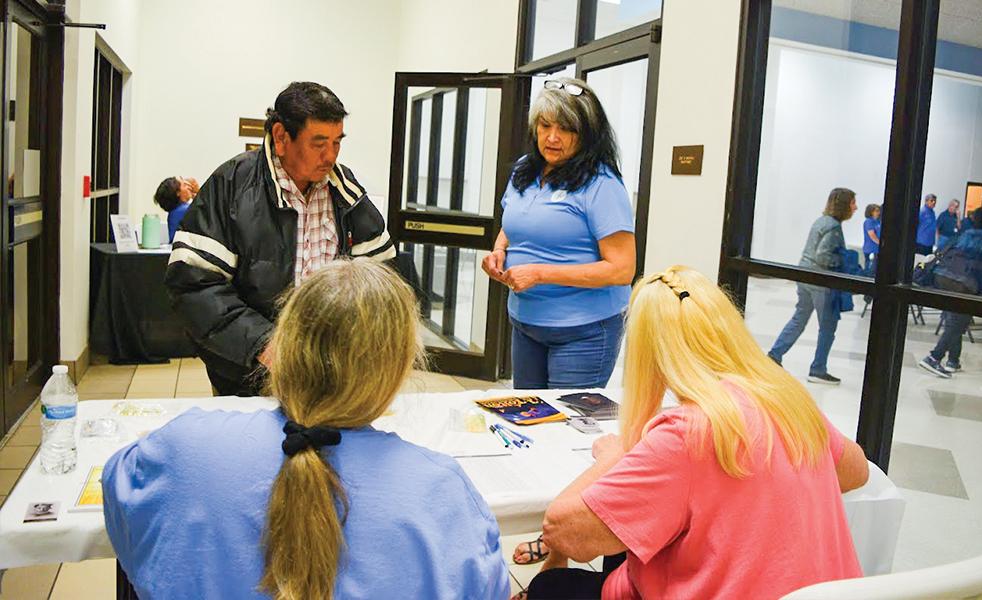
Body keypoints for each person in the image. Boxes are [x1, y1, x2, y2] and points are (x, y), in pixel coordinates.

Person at [104, 260, 509, 600]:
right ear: (398, 369)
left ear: (280, 346)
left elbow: (121, 506)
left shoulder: (184, 447)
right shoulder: (441, 492)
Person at [517, 266, 868, 599]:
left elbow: (561, 529)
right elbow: (856, 470)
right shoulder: (785, 398)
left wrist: (613, 460)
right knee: (625, 542)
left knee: (552, 587)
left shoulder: (686, 435)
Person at [165, 82, 394, 396]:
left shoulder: (344, 190)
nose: (330, 156)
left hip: (330, 373)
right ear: (281, 137)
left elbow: (382, 278)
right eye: (318, 143)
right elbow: (194, 285)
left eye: (337, 142)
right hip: (250, 374)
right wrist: (267, 346)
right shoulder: (231, 186)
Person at [481, 77, 635, 390]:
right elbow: (511, 225)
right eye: (545, 125)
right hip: (526, 322)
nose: (552, 137)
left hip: (583, 330)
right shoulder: (525, 170)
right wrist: (499, 252)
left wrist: (540, 273)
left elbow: (622, 270)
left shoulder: (601, 185)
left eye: (566, 128)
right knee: (530, 421)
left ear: (587, 134)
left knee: (565, 429)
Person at [767, 188, 857, 385]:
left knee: (799, 318)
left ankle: (774, 355)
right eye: (852, 203)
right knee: (828, 326)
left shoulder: (821, 221)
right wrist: (844, 259)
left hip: (805, 276)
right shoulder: (833, 227)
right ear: (844, 205)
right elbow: (823, 256)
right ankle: (818, 369)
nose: (856, 207)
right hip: (820, 282)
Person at [919, 206, 982, 378]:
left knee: (954, 320)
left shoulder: (966, 234)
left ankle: (953, 362)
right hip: (966, 285)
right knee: (958, 323)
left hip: (945, 279)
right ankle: (934, 357)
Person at [153, 176, 200, 242]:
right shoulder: (184, 210)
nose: (189, 187)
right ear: (178, 193)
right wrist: (199, 193)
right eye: (184, 185)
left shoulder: (176, 211)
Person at [862, 203, 881, 274]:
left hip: (877, 249)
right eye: (876, 211)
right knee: (871, 270)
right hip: (871, 248)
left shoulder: (878, 221)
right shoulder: (869, 221)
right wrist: (880, 243)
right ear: (871, 212)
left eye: (878, 210)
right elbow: (872, 235)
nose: (878, 213)